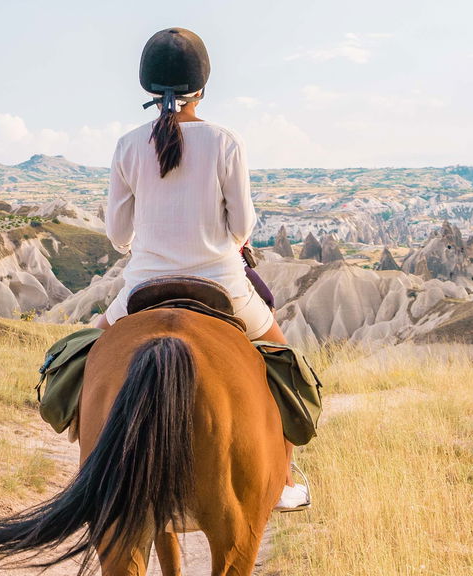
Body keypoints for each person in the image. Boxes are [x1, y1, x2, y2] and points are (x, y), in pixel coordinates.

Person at [95, 27, 309, 511]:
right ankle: (283, 481)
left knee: (85, 357)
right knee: (284, 363)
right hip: (223, 286)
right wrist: (219, 240)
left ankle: (90, 467)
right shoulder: (225, 141)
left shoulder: (128, 145)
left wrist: (146, 244)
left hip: (142, 287)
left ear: (148, 89)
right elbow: (243, 225)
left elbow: (118, 234)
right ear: (202, 88)